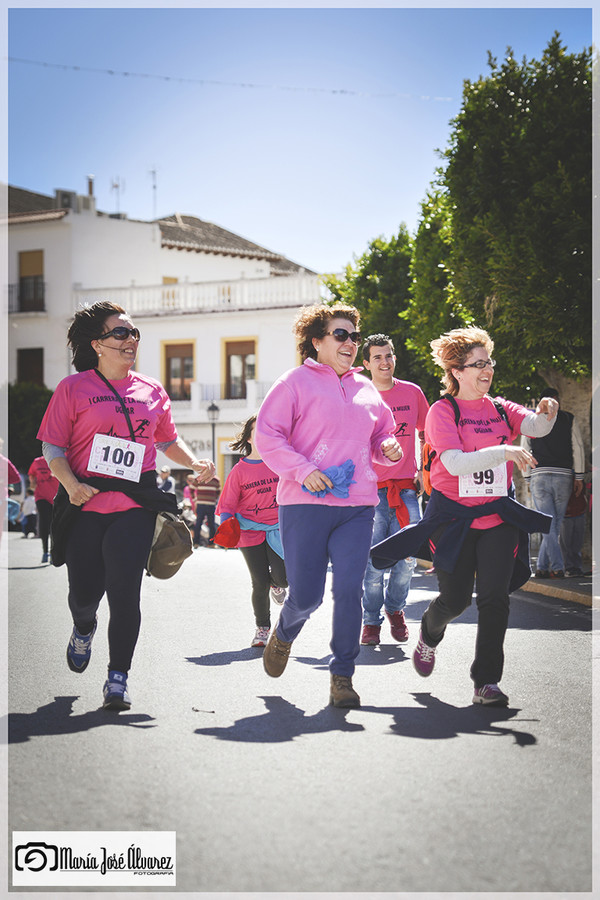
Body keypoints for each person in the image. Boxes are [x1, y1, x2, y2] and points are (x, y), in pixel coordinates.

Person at [37, 300, 215, 711]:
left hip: (135, 504)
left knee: (125, 592)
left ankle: (117, 678)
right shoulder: (74, 388)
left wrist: (193, 462)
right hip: (86, 502)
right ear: (98, 344)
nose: (130, 339)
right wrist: (72, 484)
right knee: (84, 592)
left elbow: (166, 440)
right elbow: (53, 445)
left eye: (134, 332)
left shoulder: (150, 390)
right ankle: (83, 626)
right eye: (120, 333)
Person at [370, 326, 557, 707]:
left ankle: (485, 682)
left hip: (497, 517)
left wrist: (547, 410)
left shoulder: (502, 408)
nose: (486, 370)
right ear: (457, 371)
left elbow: (536, 427)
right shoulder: (443, 411)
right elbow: (453, 464)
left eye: (488, 362)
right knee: (454, 601)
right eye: (477, 365)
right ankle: (429, 632)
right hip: (454, 518)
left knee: (494, 598)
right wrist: (505, 452)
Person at [254, 303, 403, 708]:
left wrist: (387, 447)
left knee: (350, 590)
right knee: (306, 596)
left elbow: (382, 434)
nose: (350, 343)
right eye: (341, 335)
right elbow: (267, 436)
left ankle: (342, 675)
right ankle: (284, 632)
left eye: (354, 336)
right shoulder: (293, 383)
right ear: (317, 341)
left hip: (357, 505)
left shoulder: (366, 388)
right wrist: (302, 470)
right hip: (305, 503)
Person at [360, 334, 429, 645]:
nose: (384, 362)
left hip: (406, 491)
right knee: (372, 561)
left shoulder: (412, 393)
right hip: (368, 494)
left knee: (408, 559)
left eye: (388, 356)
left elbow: (429, 433)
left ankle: (396, 610)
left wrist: (427, 473)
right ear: (366, 364)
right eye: (377, 357)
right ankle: (371, 621)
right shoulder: (358, 396)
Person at [214, 414, 288, 648]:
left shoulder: (280, 463)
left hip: (278, 528)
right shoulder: (239, 470)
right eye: (258, 430)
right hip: (249, 530)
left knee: (283, 578)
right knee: (258, 582)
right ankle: (262, 629)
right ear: (248, 438)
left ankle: (277, 585)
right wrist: (227, 525)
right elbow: (227, 504)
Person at [521, 388, 585, 579]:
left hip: (539, 475)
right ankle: (557, 567)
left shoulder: (531, 419)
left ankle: (542, 567)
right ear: (558, 400)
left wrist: (527, 477)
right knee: (554, 523)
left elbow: (525, 448)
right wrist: (579, 476)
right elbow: (578, 447)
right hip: (563, 475)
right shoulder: (568, 418)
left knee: (548, 524)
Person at [28, 454, 59, 563]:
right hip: (41, 496)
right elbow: (31, 474)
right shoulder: (37, 462)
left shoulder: (60, 458)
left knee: (53, 524)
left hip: (56, 497)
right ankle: (45, 551)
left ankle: (53, 552)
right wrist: (32, 482)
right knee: (44, 521)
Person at [193, 474, 221, 548]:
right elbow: (191, 488)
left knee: (211, 524)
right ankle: (196, 542)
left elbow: (218, 491)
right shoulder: (199, 478)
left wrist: (214, 499)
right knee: (199, 523)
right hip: (201, 504)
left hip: (210, 504)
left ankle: (211, 543)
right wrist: (194, 499)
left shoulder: (216, 480)